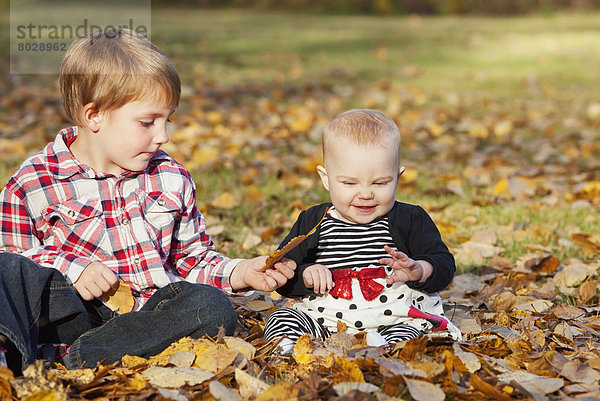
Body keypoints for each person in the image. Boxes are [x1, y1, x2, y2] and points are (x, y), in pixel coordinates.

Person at [0, 28, 295, 374]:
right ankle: (14, 353)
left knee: (211, 308)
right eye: (147, 122)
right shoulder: (34, 180)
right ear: (93, 115)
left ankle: (69, 362)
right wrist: (71, 270)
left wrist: (241, 271)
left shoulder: (170, 177)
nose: (163, 135)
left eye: (166, 120)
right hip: (69, 310)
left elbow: (191, 260)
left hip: (147, 319)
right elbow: (13, 258)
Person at [263, 109, 461, 354]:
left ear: (398, 178)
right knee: (282, 318)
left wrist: (419, 269)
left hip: (393, 317)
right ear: (326, 179)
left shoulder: (410, 219)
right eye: (349, 183)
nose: (366, 193)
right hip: (325, 320)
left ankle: (385, 351)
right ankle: (290, 351)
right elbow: (280, 273)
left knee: (410, 331)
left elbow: (444, 264)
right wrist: (304, 274)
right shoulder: (313, 221)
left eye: (380, 183)